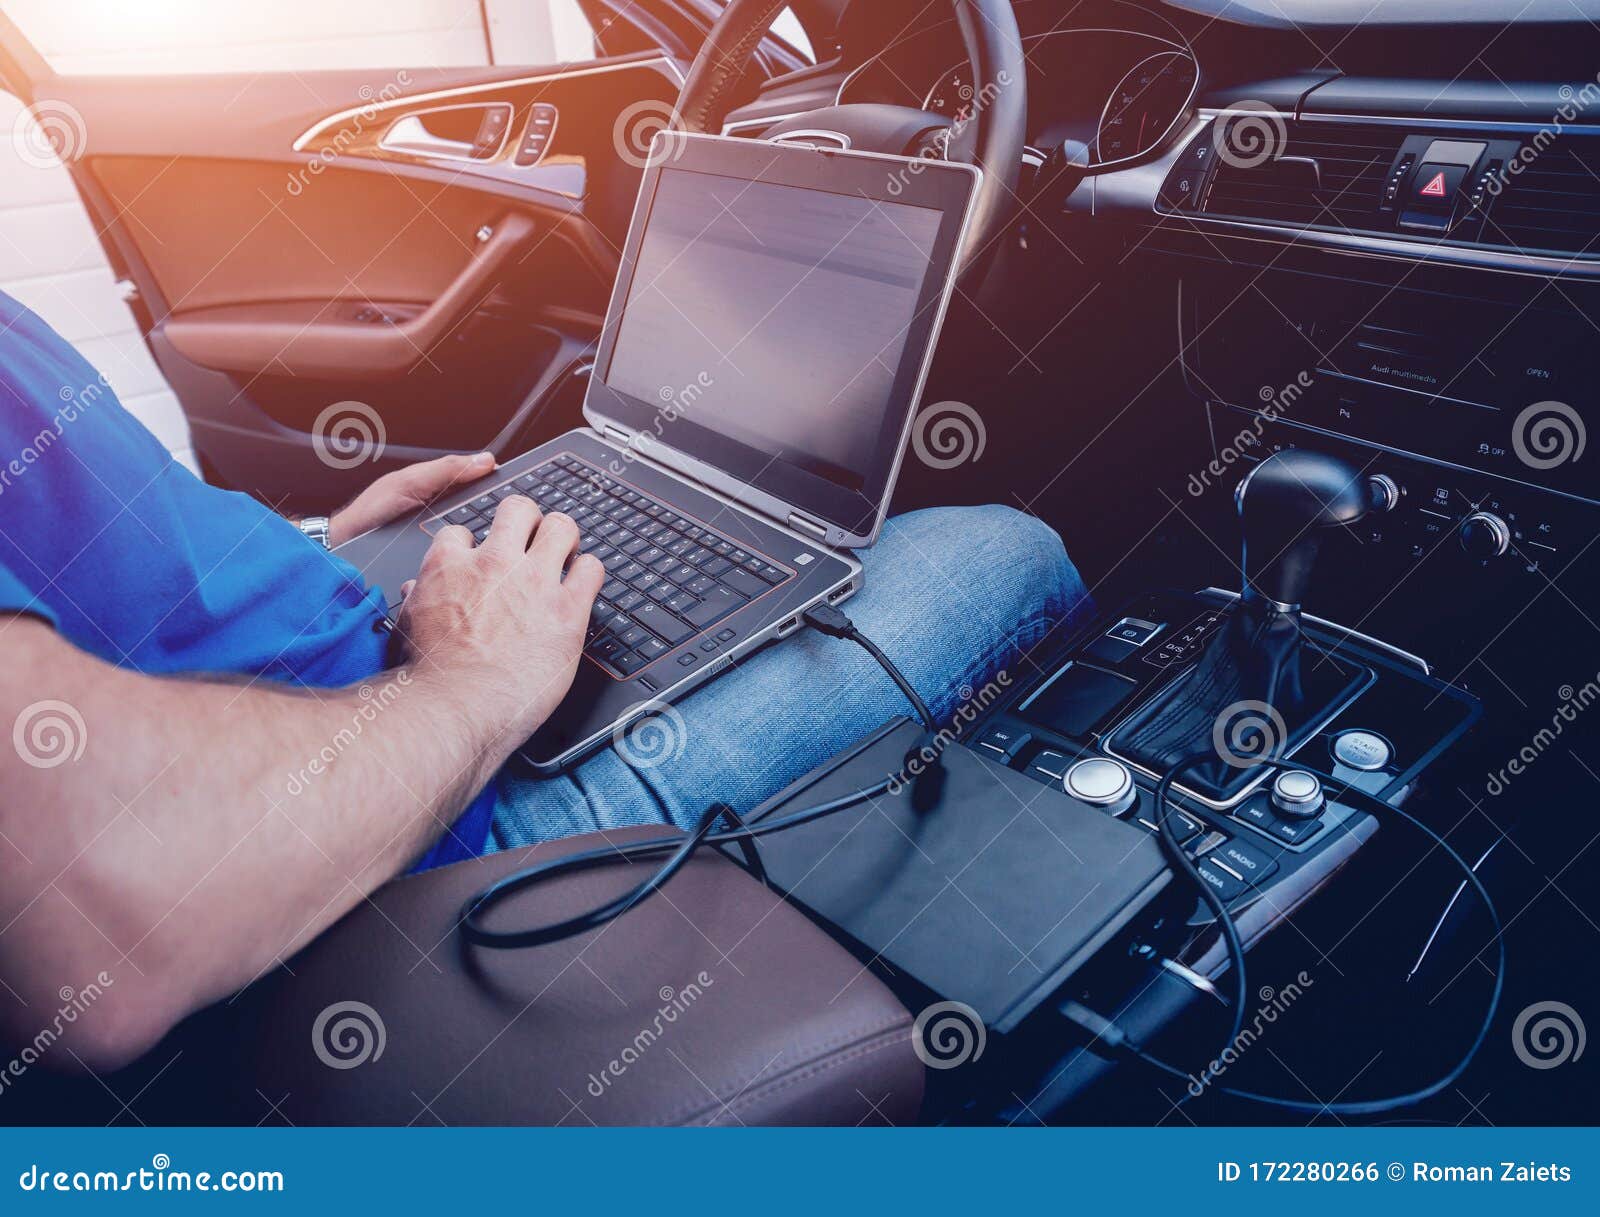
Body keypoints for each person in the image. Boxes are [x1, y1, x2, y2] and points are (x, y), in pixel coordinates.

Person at [0, 290, 1088, 1070]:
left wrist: (313, 550)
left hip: (369, 679)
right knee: (1002, 548)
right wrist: (471, 684)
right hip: (419, 833)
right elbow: (105, 924)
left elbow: (77, 557)